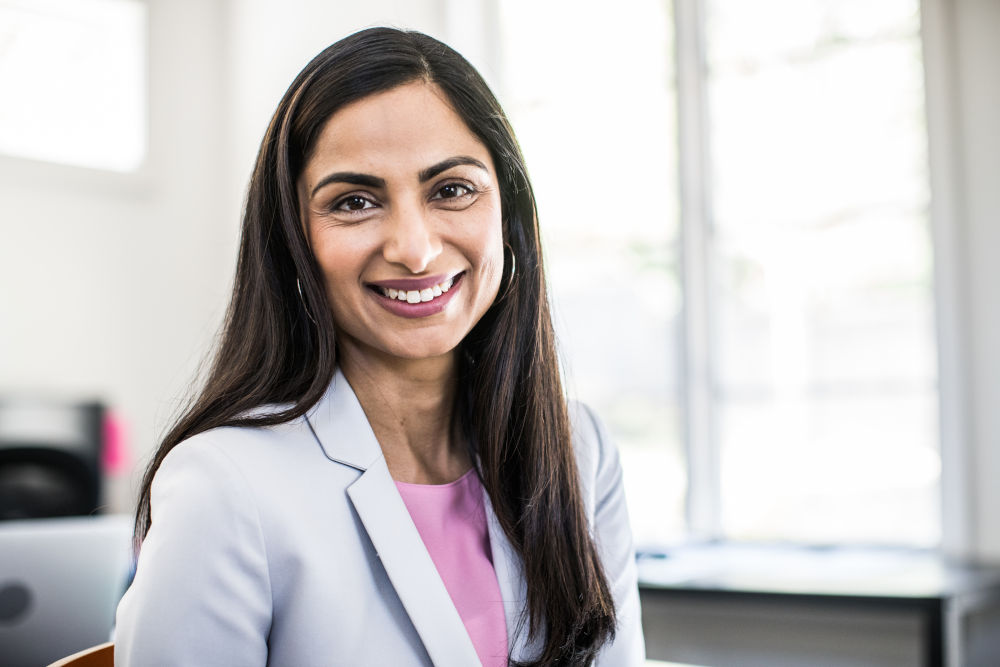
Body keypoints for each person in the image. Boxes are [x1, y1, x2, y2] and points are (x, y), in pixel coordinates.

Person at [114, 27, 644, 667]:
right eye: (355, 201)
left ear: (508, 216)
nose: (414, 249)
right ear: (294, 241)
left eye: (451, 189)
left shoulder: (579, 451)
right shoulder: (224, 489)